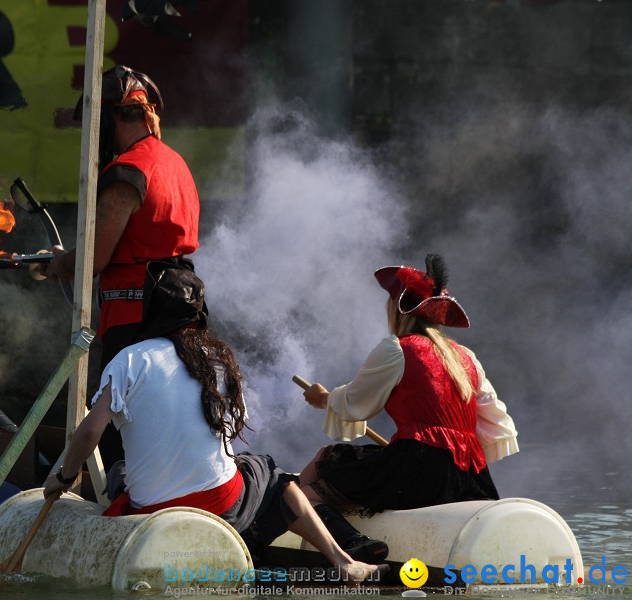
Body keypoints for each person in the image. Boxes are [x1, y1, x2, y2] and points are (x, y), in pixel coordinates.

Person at [42, 261, 388, 580]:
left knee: (119, 470)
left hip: (151, 513)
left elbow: (89, 434)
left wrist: (63, 477)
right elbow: (231, 431)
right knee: (273, 476)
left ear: (150, 310)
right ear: (199, 313)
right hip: (221, 507)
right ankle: (345, 562)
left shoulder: (128, 358)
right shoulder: (219, 357)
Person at [297, 254, 519, 558]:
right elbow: (495, 422)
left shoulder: (397, 350)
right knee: (329, 460)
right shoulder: (465, 357)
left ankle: (351, 543)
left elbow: (355, 403)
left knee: (306, 495)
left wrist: (324, 399)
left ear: (398, 310)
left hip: (417, 464)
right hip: (470, 473)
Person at [35, 65, 201, 469]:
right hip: (184, 314)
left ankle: (117, 512)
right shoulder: (175, 163)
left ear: (109, 117)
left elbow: (94, 258)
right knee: (166, 424)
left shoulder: (127, 171)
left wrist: (58, 263)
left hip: (135, 318)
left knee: (118, 435)